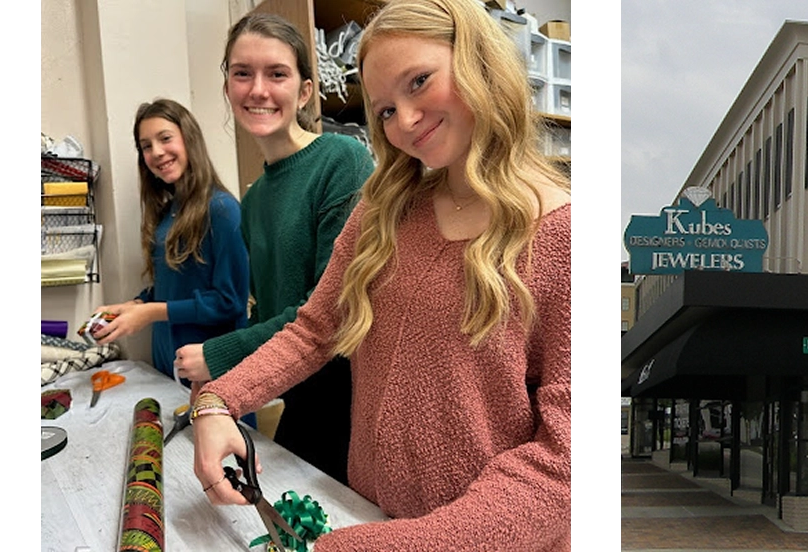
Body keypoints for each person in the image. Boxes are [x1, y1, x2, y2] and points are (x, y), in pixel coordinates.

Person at [189, 0, 573, 549]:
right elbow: (314, 328)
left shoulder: (560, 234)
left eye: (419, 81)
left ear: (479, 63)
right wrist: (218, 399)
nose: (407, 120)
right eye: (386, 110)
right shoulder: (384, 208)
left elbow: (561, 461)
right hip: (365, 514)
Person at [170, 11, 374, 485]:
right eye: (242, 73)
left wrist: (219, 355)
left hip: (351, 406)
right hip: (299, 392)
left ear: (305, 91)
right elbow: (267, 316)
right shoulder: (254, 198)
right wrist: (226, 378)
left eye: (276, 74)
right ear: (228, 88)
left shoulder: (342, 161)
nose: (257, 89)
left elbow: (330, 313)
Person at [91, 98, 250, 380]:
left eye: (165, 139)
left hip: (210, 372)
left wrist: (151, 313)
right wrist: (134, 307)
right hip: (169, 367)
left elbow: (230, 302)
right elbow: (173, 286)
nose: (157, 152)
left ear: (189, 140)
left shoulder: (222, 210)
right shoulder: (167, 213)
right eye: (146, 146)